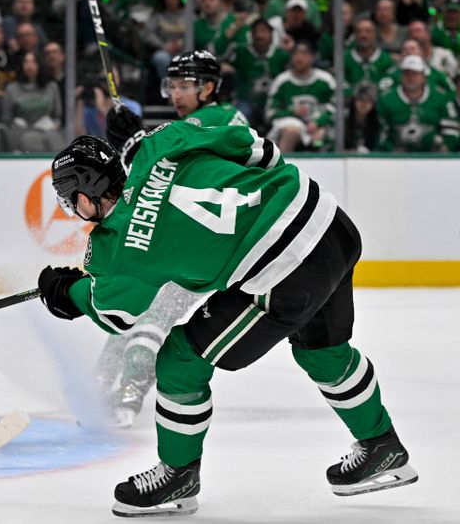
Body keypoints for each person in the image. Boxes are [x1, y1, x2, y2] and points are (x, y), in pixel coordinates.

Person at [38, 128, 418, 517]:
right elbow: (262, 151)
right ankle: (382, 445)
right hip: (328, 221)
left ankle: (178, 476)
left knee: (180, 360)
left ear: (84, 196)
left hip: (287, 273)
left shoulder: (114, 250)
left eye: (71, 202)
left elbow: (115, 315)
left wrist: (67, 294)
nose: (73, 210)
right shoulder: (161, 145)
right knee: (323, 353)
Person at [98, 50, 247, 427]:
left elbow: (165, 164)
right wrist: (134, 141)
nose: (175, 94)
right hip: (190, 237)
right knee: (137, 303)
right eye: (172, 86)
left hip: (205, 244)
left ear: (209, 87)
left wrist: (134, 141)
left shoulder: (219, 118)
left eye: (185, 86)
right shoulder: (203, 121)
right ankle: (101, 379)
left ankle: (130, 389)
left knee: (158, 312)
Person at [376, 55, 459, 152]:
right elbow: (380, 131)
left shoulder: (440, 97)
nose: (410, 77)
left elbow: (451, 129)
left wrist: (446, 148)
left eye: (415, 74)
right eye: (407, 73)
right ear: (401, 75)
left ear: (424, 76)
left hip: (433, 157)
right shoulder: (386, 99)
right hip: (396, 158)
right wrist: (390, 150)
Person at [266, 41, 336, 152]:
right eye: (295, 54)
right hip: (290, 126)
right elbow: (270, 113)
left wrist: (318, 122)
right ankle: (282, 166)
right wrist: (292, 112)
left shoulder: (325, 80)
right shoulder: (282, 81)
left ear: (312, 57)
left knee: (320, 138)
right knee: (290, 131)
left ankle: (319, 158)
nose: (299, 58)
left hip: (317, 126)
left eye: (304, 53)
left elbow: (336, 107)